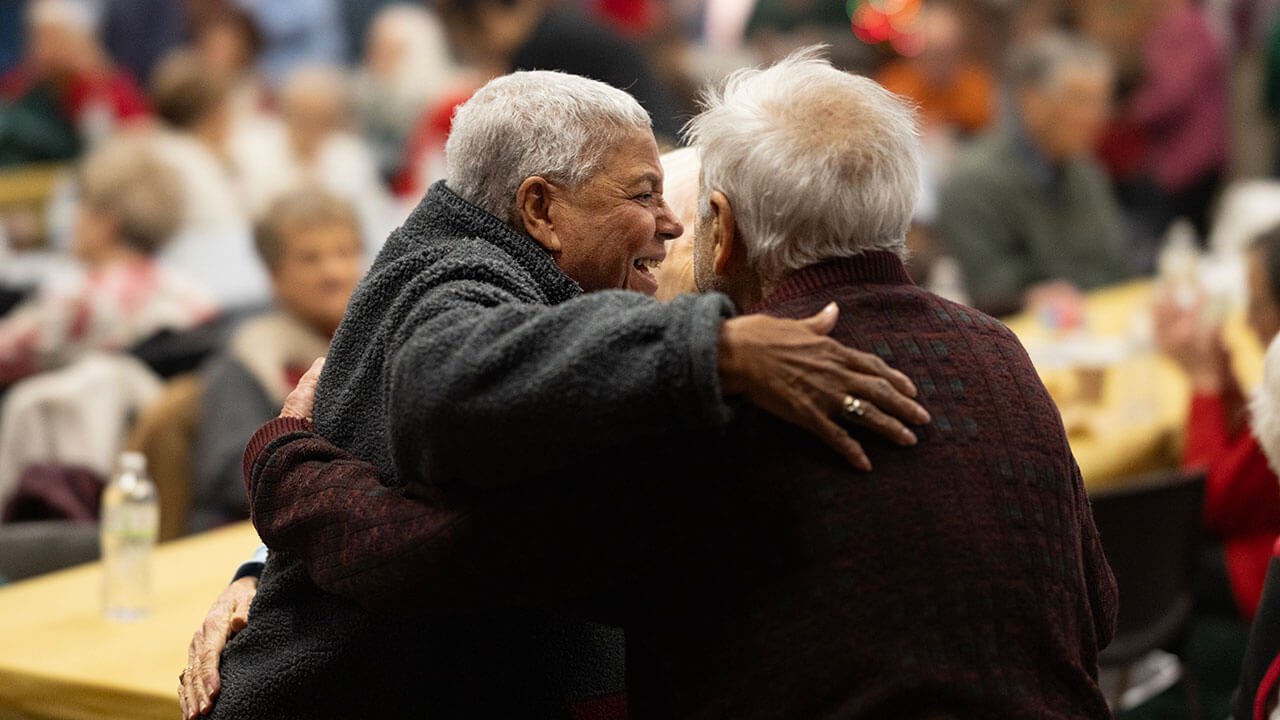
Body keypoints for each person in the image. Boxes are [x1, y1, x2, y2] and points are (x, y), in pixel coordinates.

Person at [191, 53, 1116, 718]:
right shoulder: (1001, 356)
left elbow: (420, 560)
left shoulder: (717, 412)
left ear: (727, 228)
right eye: (640, 199)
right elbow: (1099, 606)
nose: (668, 231)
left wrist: (283, 453)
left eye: (672, 204)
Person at [189, 189, 362, 532]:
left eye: (345, 252)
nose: (334, 272)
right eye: (310, 258)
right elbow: (233, 476)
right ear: (274, 273)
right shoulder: (248, 357)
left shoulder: (374, 339)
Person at [936, 31, 1130, 317]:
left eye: (1100, 102)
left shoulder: (1086, 173)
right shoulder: (973, 181)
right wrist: (1034, 295)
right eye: (1079, 101)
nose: (1096, 117)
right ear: (1032, 102)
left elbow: (1116, 265)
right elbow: (990, 287)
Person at [0, 135, 218, 388]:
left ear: (106, 224)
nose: (72, 218)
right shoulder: (194, 294)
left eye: (81, 204)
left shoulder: (82, 304)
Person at [1155, 225, 1280, 621]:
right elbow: (1257, 467)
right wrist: (1224, 382)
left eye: (1257, 306)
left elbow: (1206, 507)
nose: (1245, 322)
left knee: (1160, 552)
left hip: (1265, 568)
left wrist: (1204, 386)